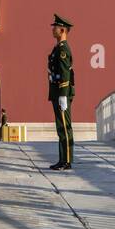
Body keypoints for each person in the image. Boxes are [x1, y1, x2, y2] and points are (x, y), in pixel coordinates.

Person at [47, 14, 76, 170]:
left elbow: (65, 73)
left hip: (61, 92)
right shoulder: (58, 48)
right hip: (58, 92)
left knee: (64, 127)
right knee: (61, 127)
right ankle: (63, 159)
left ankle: (66, 161)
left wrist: (63, 95)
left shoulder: (63, 49)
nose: (53, 29)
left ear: (63, 30)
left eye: (55, 27)